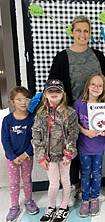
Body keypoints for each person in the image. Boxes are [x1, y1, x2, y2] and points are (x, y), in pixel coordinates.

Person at [48, 15, 105, 205]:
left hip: (96, 111)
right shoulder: (62, 57)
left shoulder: (97, 55)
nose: (82, 34)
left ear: (89, 34)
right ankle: (76, 187)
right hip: (72, 111)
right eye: (79, 30)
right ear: (72, 32)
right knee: (73, 151)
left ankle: (93, 189)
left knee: (93, 150)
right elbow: (54, 86)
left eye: (86, 31)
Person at [31, 79, 79, 222]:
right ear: (45, 94)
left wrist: (69, 153)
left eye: (57, 91)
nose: (54, 93)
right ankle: (51, 207)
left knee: (65, 181)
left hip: (64, 156)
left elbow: (73, 134)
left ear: (63, 94)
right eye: (50, 91)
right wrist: (40, 156)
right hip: (48, 157)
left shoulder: (70, 113)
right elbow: (36, 135)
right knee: (53, 183)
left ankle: (63, 207)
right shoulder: (40, 114)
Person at [73, 73, 105, 217]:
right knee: (86, 173)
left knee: (97, 173)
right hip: (84, 145)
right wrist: (85, 131)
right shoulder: (78, 104)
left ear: (103, 88)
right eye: (93, 84)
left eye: (100, 85)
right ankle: (85, 199)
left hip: (99, 145)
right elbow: (74, 123)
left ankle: (94, 198)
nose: (96, 88)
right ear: (88, 85)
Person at [1, 87, 39, 222]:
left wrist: (26, 154)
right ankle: (14, 206)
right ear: (12, 102)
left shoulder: (32, 119)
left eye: (26, 99)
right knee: (14, 182)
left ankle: (29, 201)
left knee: (27, 179)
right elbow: (4, 139)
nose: (23, 103)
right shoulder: (7, 120)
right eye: (19, 100)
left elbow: (35, 138)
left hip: (27, 156)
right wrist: (12, 156)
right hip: (12, 158)